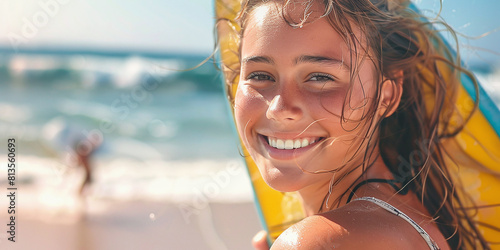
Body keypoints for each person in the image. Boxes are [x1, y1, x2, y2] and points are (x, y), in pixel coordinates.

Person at [217, 0, 497, 249]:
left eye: (319, 77)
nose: (279, 110)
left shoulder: (319, 242)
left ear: (385, 96)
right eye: (260, 75)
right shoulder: (412, 219)